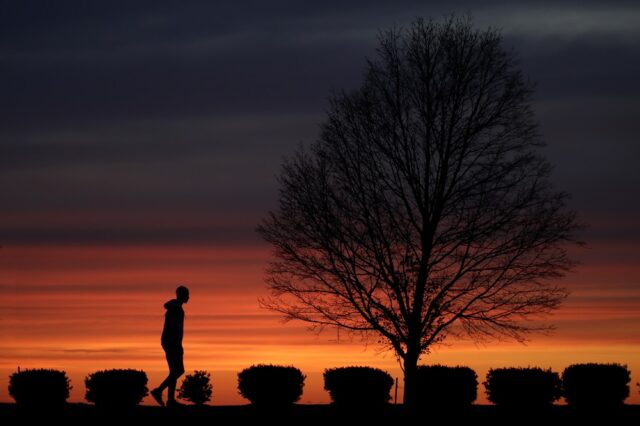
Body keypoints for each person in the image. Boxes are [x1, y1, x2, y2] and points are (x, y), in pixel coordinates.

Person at [151, 285, 189, 407]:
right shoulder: (175, 309)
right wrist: (176, 344)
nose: (189, 297)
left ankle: (169, 399)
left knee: (175, 371)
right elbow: (173, 328)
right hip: (172, 343)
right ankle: (160, 392)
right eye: (187, 294)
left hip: (173, 343)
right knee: (178, 370)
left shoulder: (176, 308)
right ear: (182, 295)